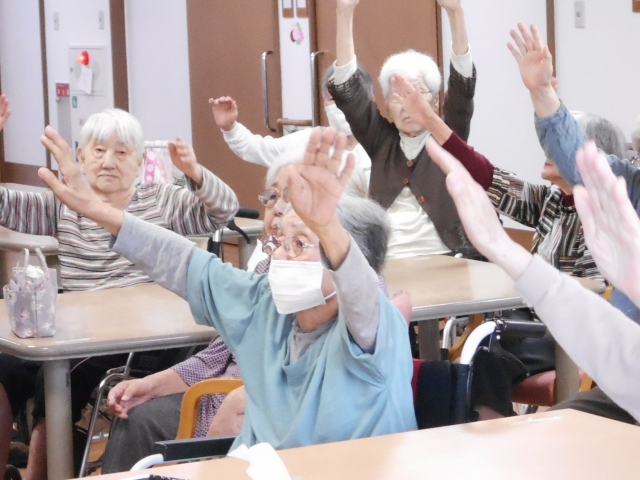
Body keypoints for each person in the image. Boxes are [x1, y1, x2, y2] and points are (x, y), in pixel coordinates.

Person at [39, 125, 417, 450]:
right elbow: (180, 259)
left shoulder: (370, 331)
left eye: (300, 243)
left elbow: (360, 288)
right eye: (280, 242)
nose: (281, 254)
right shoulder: (262, 303)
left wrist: (327, 227)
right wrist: (99, 210)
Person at [0, 104, 239, 480]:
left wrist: (194, 172)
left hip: (136, 341)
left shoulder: (161, 200)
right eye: (98, 151)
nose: (109, 161)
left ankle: (37, 474)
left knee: (60, 377)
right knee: (6, 365)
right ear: (80, 156)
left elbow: (225, 210)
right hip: (70, 331)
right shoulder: (63, 204)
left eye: (122, 152)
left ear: (140, 161)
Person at [427, 137, 640, 422]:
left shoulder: (604, 217)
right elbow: (492, 179)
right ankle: (490, 428)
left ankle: (490, 427)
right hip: (542, 321)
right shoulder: (551, 201)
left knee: (490, 347)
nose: (549, 151)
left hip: (558, 332)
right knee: (486, 352)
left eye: (561, 144)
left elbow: (593, 297)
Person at [506, 23, 640, 423]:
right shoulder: (629, 184)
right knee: (555, 430)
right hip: (627, 379)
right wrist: (542, 93)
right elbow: (578, 160)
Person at [329, 0, 477, 259]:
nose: (408, 105)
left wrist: (456, 14)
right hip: (388, 258)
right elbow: (349, 90)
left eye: (418, 92)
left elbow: (462, 85)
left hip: (445, 256)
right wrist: (344, 13)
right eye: (398, 95)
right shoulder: (380, 139)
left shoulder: (448, 137)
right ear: (386, 103)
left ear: (436, 100)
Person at [209, 63, 373, 184]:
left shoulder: (383, 143)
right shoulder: (311, 140)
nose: (343, 105)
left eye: (352, 97)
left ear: (370, 100)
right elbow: (257, 149)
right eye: (333, 99)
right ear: (324, 103)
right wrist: (230, 127)